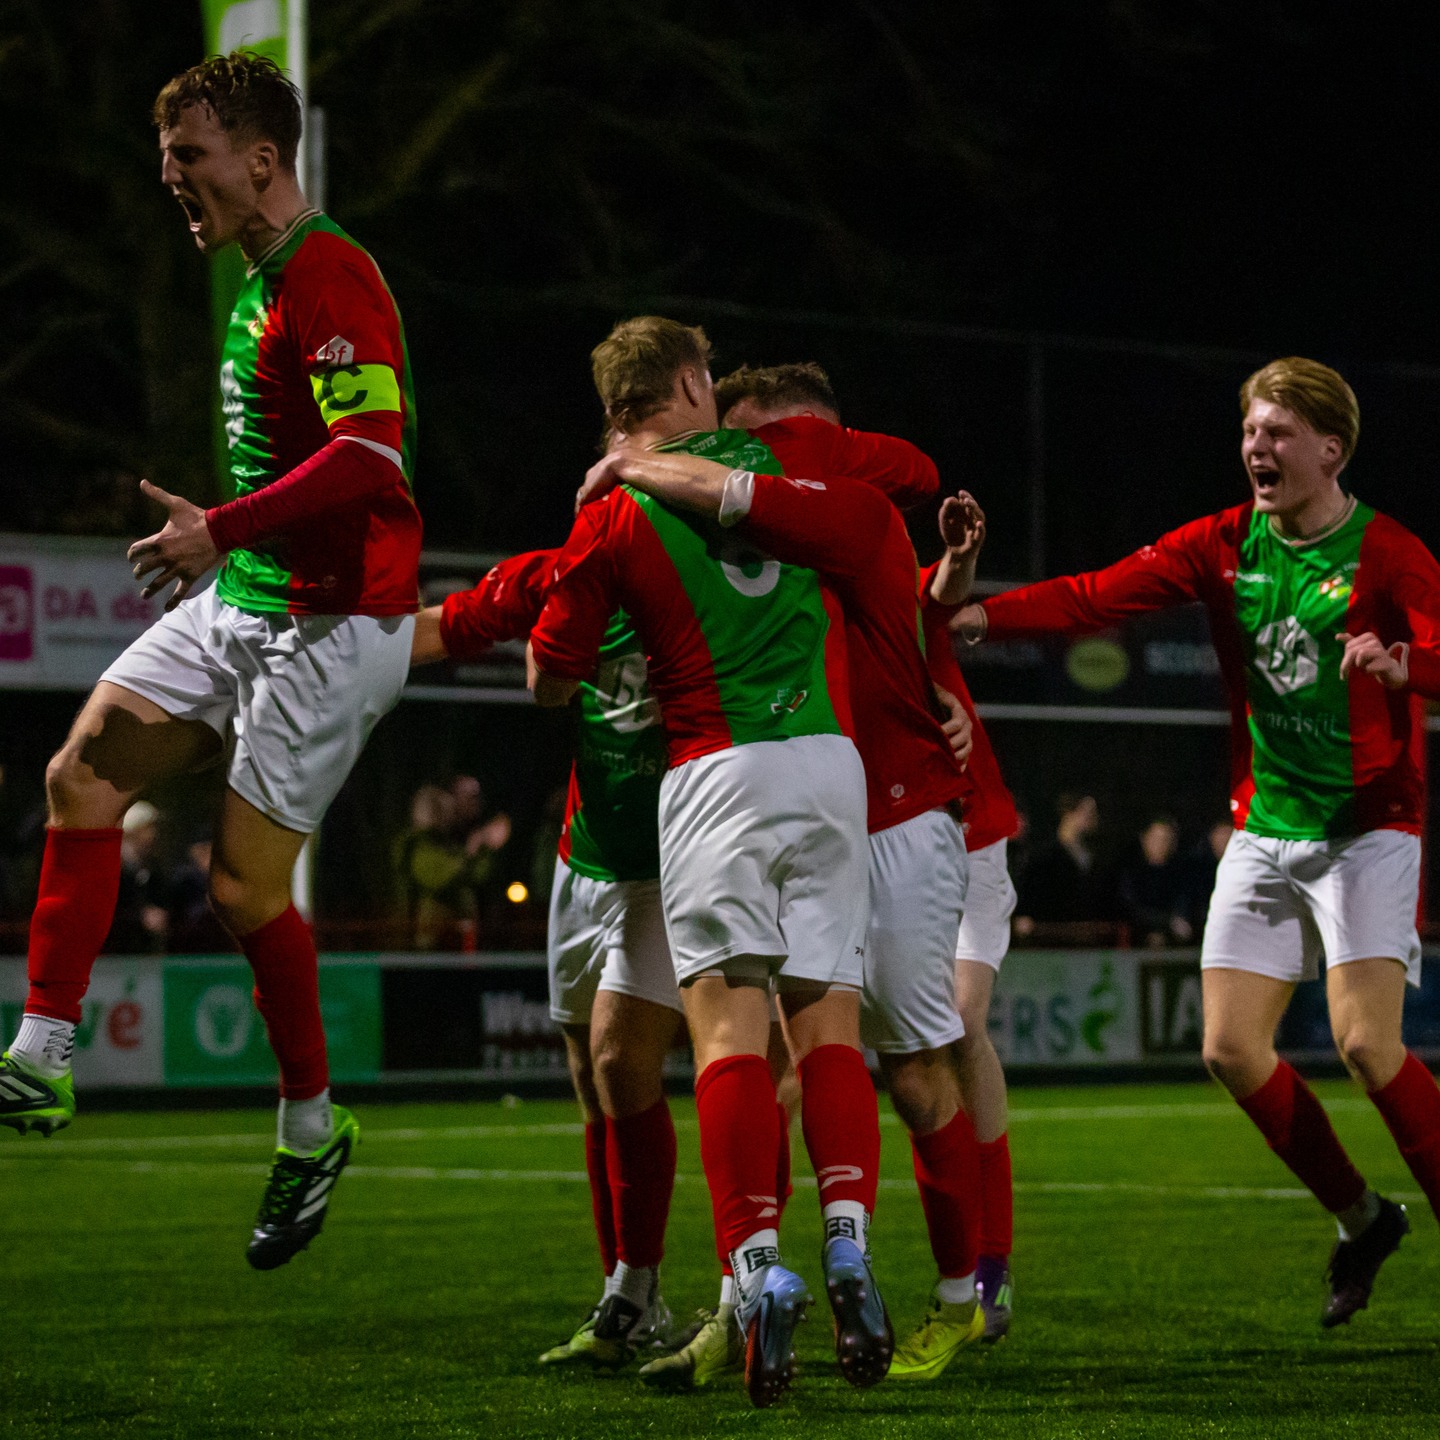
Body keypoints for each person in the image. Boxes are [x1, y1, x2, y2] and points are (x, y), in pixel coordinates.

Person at [0, 54, 421, 1274]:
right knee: (80, 775)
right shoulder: (251, 285)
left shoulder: (329, 271)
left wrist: (218, 528)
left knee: (242, 893)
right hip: (249, 594)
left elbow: (373, 459)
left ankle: (308, 1125)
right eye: (168, 156)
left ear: (261, 159)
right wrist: (228, 546)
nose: (172, 178)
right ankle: (42, 1056)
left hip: (338, 626)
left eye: (190, 155)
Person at [954, 355, 1440, 1326]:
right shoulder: (1224, 543)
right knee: (1227, 1048)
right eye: (1251, 431)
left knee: (1366, 1045)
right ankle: (1362, 1217)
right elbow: (1099, 596)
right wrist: (983, 612)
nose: (1256, 448)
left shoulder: (1390, 554)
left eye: (1278, 433)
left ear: (1331, 449)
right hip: (1266, 830)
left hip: (1367, 828)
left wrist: (1406, 664)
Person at [530, 317, 898, 1407]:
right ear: (694, 383)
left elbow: (552, 678)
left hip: (713, 774)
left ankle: (755, 1265)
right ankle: (847, 1242)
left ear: (614, 411)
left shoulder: (616, 513)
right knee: (825, 1019)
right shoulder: (775, 471)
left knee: (731, 1030)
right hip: (829, 766)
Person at [689, 362, 999, 1383]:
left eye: (750, 437)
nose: (737, 455)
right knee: (777, 1074)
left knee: (916, 1070)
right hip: (801, 811)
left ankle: (963, 1298)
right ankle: (747, 1290)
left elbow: (898, 464)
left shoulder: (828, 490)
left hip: (899, 817)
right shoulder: (788, 526)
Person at [412, 544, 687, 1369]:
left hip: (669, 860)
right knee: (585, 1074)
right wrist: (339, 638)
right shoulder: (570, 570)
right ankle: (626, 1291)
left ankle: (646, 1289)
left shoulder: (710, 564)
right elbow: (458, 622)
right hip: (582, 853)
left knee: (620, 1062)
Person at [918, 486, 1025, 1349]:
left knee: (959, 1023)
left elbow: (945, 591)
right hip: (872, 844)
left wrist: (961, 555)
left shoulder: (883, 591)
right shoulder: (794, 623)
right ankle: (751, 1281)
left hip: (968, 839)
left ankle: (992, 1266)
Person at [1013, 792, 1108, 935]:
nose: (1091, 818)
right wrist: (1024, 914)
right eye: (1084, 812)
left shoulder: (1093, 855)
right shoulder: (1044, 854)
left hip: (1083, 932)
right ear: (1068, 813)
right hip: (1049, 933)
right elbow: (1031, 888)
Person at [1116, 815, 1194, 948]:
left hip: (1175, 947)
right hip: (1135, 945)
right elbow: (1129, 909)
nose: (1160, 844)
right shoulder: (1130, 873)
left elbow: (1184, 909)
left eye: (1165, 839)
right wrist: (1164, 923)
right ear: (1144, 839)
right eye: (1155, 838)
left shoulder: (1181, 875)